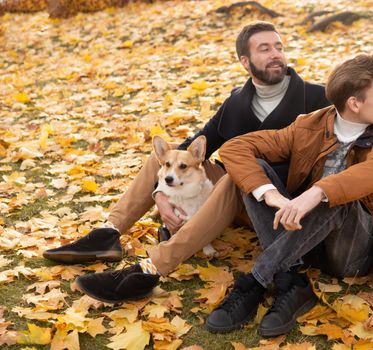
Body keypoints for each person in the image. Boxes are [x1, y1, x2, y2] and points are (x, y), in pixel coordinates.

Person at [46, 22, 329, 297]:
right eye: (264, 49)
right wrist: (160, 193)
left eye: (278, 47)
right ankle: (108, 233)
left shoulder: (318, 97)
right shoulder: (237, 101)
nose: (276, 54)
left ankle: (151, 267)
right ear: (245, 61)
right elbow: (188, 146)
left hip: (280, 205)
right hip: (236, 199)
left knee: (237, 176)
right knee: (166, 156)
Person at [204, 54, 373, 337]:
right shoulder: (309, 125)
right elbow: (235, 148)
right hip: (303, 239)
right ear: (354, 103)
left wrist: (318, 192)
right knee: (255, 173)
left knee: (338, 191)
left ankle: (258, 280)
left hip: (348, 252)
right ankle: (293, 281)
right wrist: (272, 195)